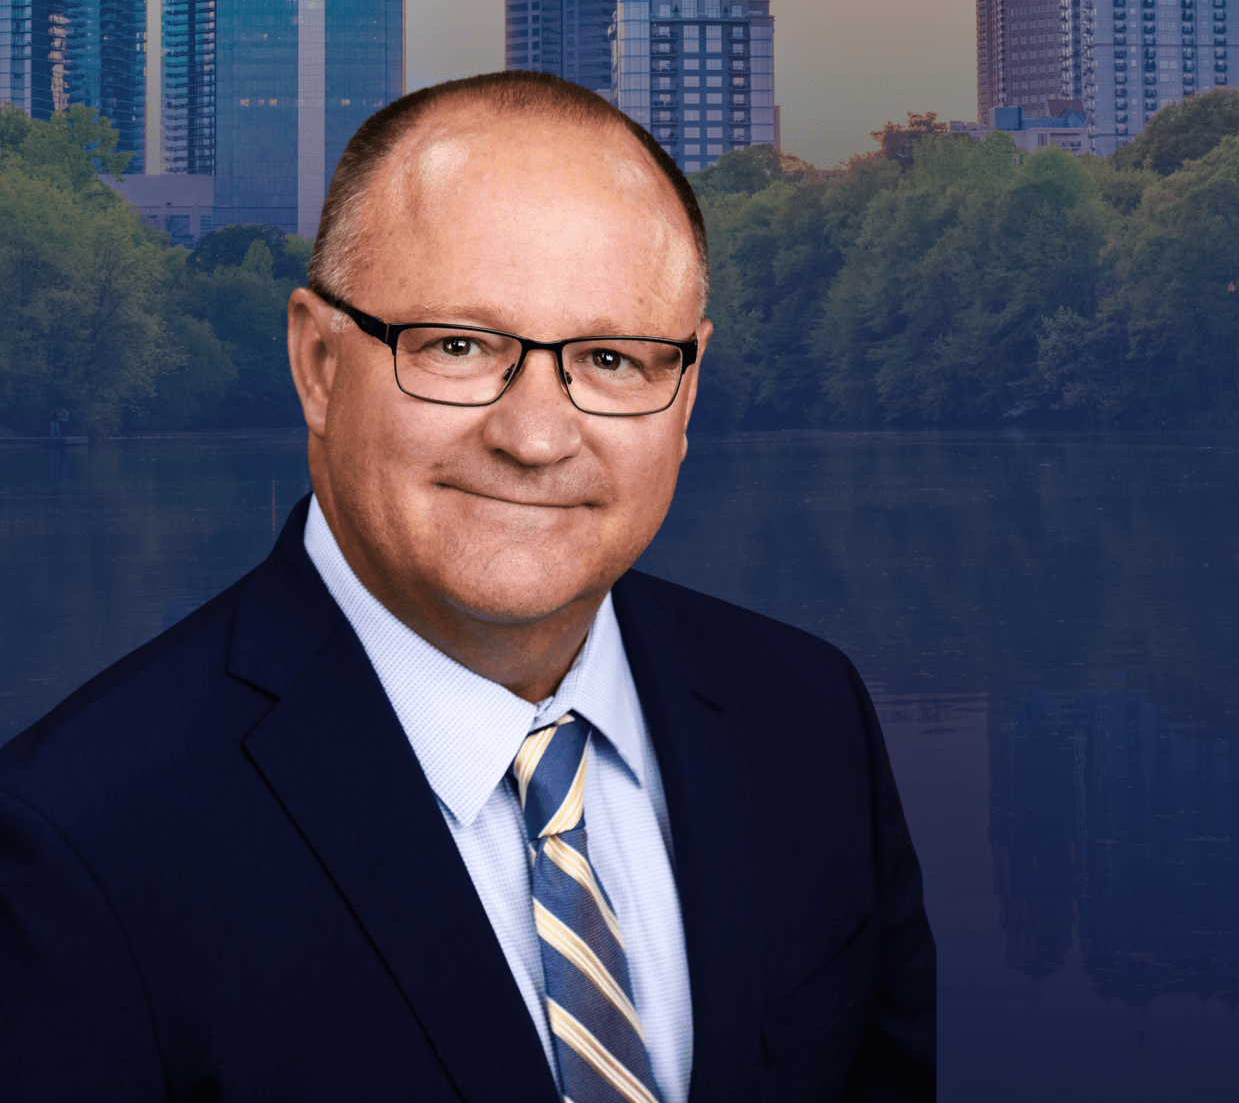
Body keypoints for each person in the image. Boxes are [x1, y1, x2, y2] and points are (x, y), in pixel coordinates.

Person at [0, 73, 936, 1102]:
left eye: (612, 359)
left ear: (686, 392)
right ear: (318, 364)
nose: (535, 437)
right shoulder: (70, 841)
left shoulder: (808, 715)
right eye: (458, 346)